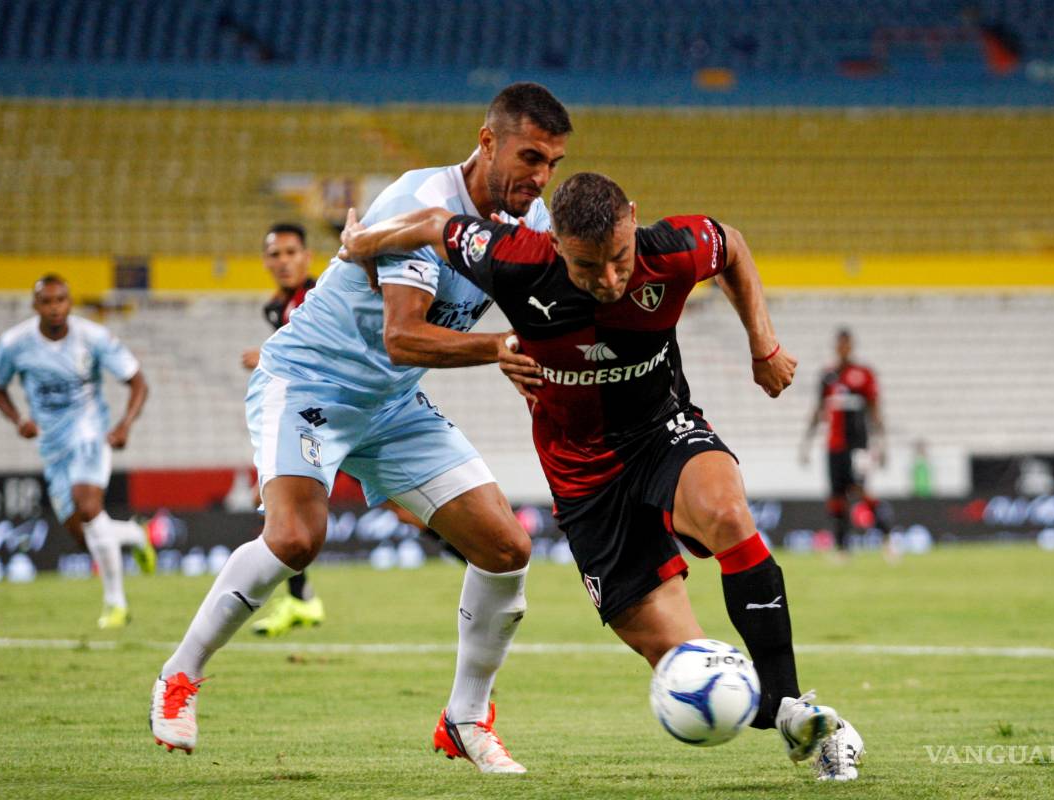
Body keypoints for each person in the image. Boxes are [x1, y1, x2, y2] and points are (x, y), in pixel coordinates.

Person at [338, 171, 865, 782]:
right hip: (583, 480)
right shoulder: (514, 260)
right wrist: (364, 243)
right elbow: (433, 225)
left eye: (619, 258)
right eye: (589, 267)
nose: (610, 279)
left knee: (726, 513)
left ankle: (795, 702)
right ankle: (791, 720)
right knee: (687, 668)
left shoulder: (671, 250)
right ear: (556, 244)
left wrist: (763, 344)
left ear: (633, 220)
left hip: (661, 433)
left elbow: (734, 243)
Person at [149, 83, 572, 775]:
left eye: (552, 162)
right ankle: (179, 674)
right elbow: (404, 336)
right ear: (488, 142)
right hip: (310, 382)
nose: (540, 176)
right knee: (295, 538)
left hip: (392, 405)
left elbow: (547, 306)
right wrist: (497, 350)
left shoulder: (533, 220)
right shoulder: (419, 204)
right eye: (530, 156)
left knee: (505, 548)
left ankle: (465, 720)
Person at [0, 275, 153, 628]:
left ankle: (116, 605)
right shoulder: (15, 343)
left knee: (88, 505)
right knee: (85, 536)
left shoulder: (92, 337)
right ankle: (136, 535)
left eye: (61, 300)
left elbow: (138, 380)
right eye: (47, 302)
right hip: (52, 446)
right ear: (36, 307)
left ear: (69, 302)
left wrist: (125, 424)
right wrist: (18, 419)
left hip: (90, 433)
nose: (55, 308)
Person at [241, 222, 326, 637]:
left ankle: (478, 560)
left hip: (340, 416)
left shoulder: (319, 295)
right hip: (310, 418)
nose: (283, 261)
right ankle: (300, 599)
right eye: (275, 254)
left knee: (408, 513)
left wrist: (268, 355)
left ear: (307, 257)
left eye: (292, 252)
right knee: (279, 504)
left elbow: (327, 349)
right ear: (265, 261)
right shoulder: (277, 306)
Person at [799, 328, 890, 555]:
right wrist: (806, 444)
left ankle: (887, 536)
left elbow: (875, 410)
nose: (843, 348)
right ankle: (842, 548)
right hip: (834, 445)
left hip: (858, 444)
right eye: (840, 344)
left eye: (847, 344)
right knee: (837, 497)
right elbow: (818, 410)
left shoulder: (864, 374)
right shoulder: (827, 375)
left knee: (860, 490)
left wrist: (882, 443)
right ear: (836, 346)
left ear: (852, 346)